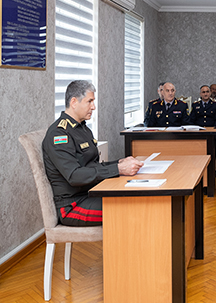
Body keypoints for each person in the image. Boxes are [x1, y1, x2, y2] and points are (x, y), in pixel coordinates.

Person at [43, 80, 143, 226]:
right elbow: (74, 176)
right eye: (89, 101)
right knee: (132, 207)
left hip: (91, 192)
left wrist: (119, 163)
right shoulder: (59, 134)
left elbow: (91, 166)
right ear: (74, 102)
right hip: (73, 205)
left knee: (138, 198)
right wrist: (118, 169)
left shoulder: (83, 129)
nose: (93, 107)